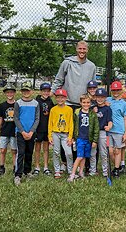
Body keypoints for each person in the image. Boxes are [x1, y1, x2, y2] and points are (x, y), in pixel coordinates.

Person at [51, 40, 97, 172]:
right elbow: (59, 79)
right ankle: (65, 162)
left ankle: (82, 163)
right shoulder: (67, 62)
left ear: (87, 50)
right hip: (69, 104)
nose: (82, 51)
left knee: (82, 135)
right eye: (80, 49)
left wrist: (92, 102)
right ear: (76, 49)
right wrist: (52, 92)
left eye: (84, 49)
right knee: (65, 133)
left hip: (84, 105)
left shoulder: (91, 66)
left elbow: (92, 86)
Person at [12, 81, 40, 186]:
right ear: (21, 91)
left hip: (31, 133)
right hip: (20, 133)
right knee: (21, 153)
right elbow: (16, 118)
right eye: (24, 90)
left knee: (29, 152)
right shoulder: (18, 103)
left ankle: (27, 171)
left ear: (31, 91)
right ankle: (18, 174)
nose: (26, 92)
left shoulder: (36, 103)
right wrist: (22, 131)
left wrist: (32, 131)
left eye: (28, 90)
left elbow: (37, 119)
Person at [67, 94, 99, 182]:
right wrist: (73, 137)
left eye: (88, 102)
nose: (86, 104)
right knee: (79, 156)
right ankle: (72, 174)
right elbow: (73, 125)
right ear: (80, 103)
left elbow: (96, 128)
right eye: (84, 102)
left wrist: (95, 140)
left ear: (90, 103)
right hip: (80, 138)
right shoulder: (77, 113)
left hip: (89, 139)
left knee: (84, 156)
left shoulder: (93, 114)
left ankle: (81, 172)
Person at [48, 88, 74, 179]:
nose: (60, 99)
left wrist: (70, 136)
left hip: (65, 134)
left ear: (66, 98)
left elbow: (71, 123)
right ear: (55, 98)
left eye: (62, 97)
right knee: (56, 152)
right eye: (58, 97)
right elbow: (50, 123)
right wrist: (49, 135)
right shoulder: (53, 109)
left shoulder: (69, 109)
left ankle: (70, 170)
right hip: (55, 133)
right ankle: (57, 170)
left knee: (69, 153)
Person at [106, 81, 126, 178]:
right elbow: (98, 102)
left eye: (117, 90)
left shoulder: (123, 104)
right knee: (110, 151)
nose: (115, 92)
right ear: (111, 90)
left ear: (121, 90)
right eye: (114, 90)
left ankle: (116, 169)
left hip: (119, 130)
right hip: (109, 130)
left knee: (118, 151)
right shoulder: (107, 100)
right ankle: (118, 166)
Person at [0, 83, 18, 176]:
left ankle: (15, 167)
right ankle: (1, 167)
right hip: (4, 131)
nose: (9, 94)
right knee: (2, 150)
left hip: (14, 131)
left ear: (14, 93)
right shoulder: (2, 105)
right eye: (8, 92)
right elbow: (0, 118)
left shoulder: (17, 104)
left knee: (14, 150)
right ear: (5, 94)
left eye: (11, 92)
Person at [33, 82, 55, 176]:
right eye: (44, 91)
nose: (46, 93)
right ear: (41, 91)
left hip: (47, 128)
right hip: (38, 128)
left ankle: (46, 167)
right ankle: (37, 166)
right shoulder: (36, 101)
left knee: (46, 148)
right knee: (37, 148)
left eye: (48, 91)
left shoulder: (50, 102)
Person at [93, 88, 113, 177]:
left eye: (102, 97)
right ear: (95, 97)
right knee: (92, 152)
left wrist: (109, 126)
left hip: (103, 132)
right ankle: (92, 170)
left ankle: (105, 171)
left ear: (105, 98)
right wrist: (93, 111)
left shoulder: (107, 109)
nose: (100, 99)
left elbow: (110, 120)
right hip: (93, 132)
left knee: (103, 152)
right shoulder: (92, 107)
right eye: (98, 97)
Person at [83, 80, 99, 175]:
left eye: (94, 88)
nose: (92, 90)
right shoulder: (86, 98)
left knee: (95, 148)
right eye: (90, 88)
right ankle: (87, 167)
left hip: (96, 127)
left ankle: (94, 167)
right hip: (87, 127)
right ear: (88, 89)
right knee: (87, 147)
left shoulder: (99, 97)